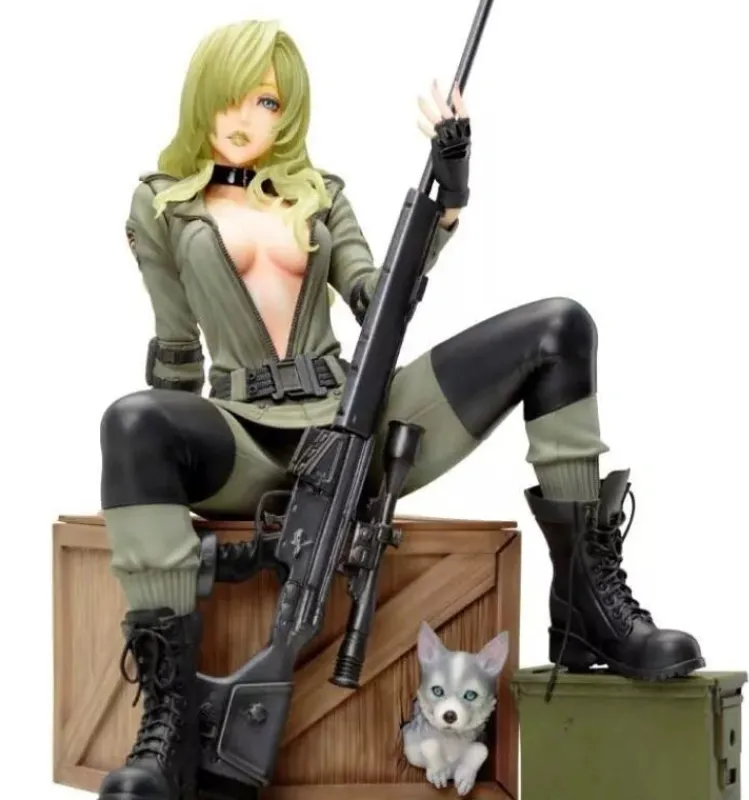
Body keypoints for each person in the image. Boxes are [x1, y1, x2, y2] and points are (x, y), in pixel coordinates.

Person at [97, 19, 704, 800]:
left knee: (560, 328)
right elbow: (177, 350)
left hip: (359, 427)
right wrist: (153, 497)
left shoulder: (321, 196)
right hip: (243, 443)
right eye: (231, 97)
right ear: (200, 97)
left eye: (268, 101)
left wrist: (448, 197)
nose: (246, 117)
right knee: (132, 421)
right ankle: (170, 730)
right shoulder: (161, 204)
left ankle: (587, 604)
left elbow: (373, 299)